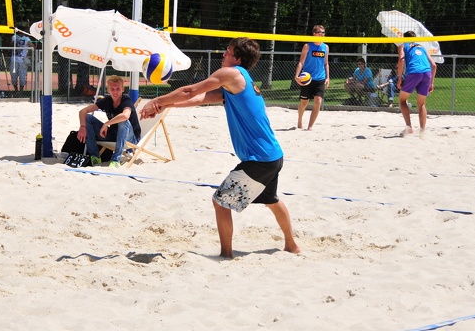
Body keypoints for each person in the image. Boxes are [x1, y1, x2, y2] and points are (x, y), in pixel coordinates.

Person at [140, 37, 300, 259]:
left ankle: (226, 254)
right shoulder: (241, 81)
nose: (223, 54)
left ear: (238, 58)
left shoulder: (232, 74)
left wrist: (155, 101)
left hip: (259, 159)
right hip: (273, 155)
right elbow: (200, 99)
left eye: (227, 51)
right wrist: (163, 106)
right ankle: (292, 245)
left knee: (220, 202)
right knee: (271, 201)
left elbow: (189, 90)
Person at [76, 75, 141, 168]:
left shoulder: (126, 100)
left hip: (131, 138)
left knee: (123, 120)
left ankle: (116, 159)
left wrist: (107, 124)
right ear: (108, 90)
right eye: (112, 89)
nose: (115, 91)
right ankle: (95, 156)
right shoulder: (107, 101)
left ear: (123, 89)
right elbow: (83, 111)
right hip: (114, 135)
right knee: (87, 118)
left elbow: (125, 115)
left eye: (118, 89)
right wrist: (82, 127)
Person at [397, 32, 437, 137]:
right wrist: (431, 83)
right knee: (421, 104)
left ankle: (409, 127)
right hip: (427, 73)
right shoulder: (422, 47)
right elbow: (434, 65)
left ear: (404, 38)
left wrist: (400, 79)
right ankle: (422, 131)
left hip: (414, 72)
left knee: (402, 100)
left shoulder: (403, 46)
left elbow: (401, 60)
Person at [294, 25, 330, 130]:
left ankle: (310, 127)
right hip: (307, 78)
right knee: (304, 103)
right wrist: (297, 75)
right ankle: (300, 119)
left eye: (323, 32)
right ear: (314, 33)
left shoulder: (325, 47)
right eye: (320, 32)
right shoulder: (307, 46)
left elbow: (326, 63)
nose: (322, 34)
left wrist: (328, 77)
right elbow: (301, 62)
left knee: (318, 101)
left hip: (320, 78)